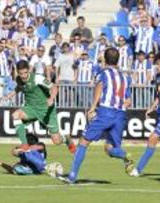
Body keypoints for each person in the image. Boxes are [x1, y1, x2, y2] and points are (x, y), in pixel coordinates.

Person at [59, 47, 134, 184]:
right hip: (120, 115)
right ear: (118, 60)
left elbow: (99, 87)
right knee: (110, 148)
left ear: (105, 60)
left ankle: (72, 176)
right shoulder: (125, 77)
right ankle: (124, 155)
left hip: (106, 112)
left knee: (83, 141)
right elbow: (129, 101)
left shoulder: (103, 73)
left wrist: (93, 107)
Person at [3, 60, 76, 153]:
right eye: (21, 73)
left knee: (57, 141)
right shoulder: (19, 79)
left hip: (46, 110)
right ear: (18, 72)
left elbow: (54, 87)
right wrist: (9, 95)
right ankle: (25, 145)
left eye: (25, 73)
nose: (24, 76)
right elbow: (19, 87)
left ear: (29, 70)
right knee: (16, 115)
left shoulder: (37, 78)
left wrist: (51, 98)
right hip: (31, 109)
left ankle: (67, 139)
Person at [129, 52, 160, 177]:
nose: (157, 66)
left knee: (152, 138)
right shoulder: (159, 78)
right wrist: (151, 107)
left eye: (159, 64)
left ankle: (138, 170)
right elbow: (158, 96)